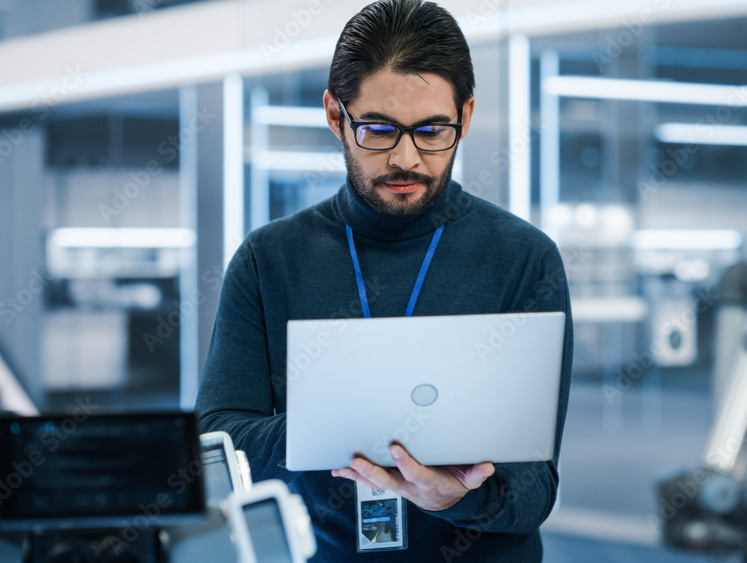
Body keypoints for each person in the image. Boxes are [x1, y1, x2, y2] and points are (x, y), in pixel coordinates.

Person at [194, 0, 573, 560]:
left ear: (465, 117)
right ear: (334, 115)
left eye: (432, 131)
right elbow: (218, 440)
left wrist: (453, 499)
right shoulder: (268, 258)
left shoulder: (523, 257)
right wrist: (345, 422)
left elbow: (536, 487)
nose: (406, 157)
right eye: (377, 128)